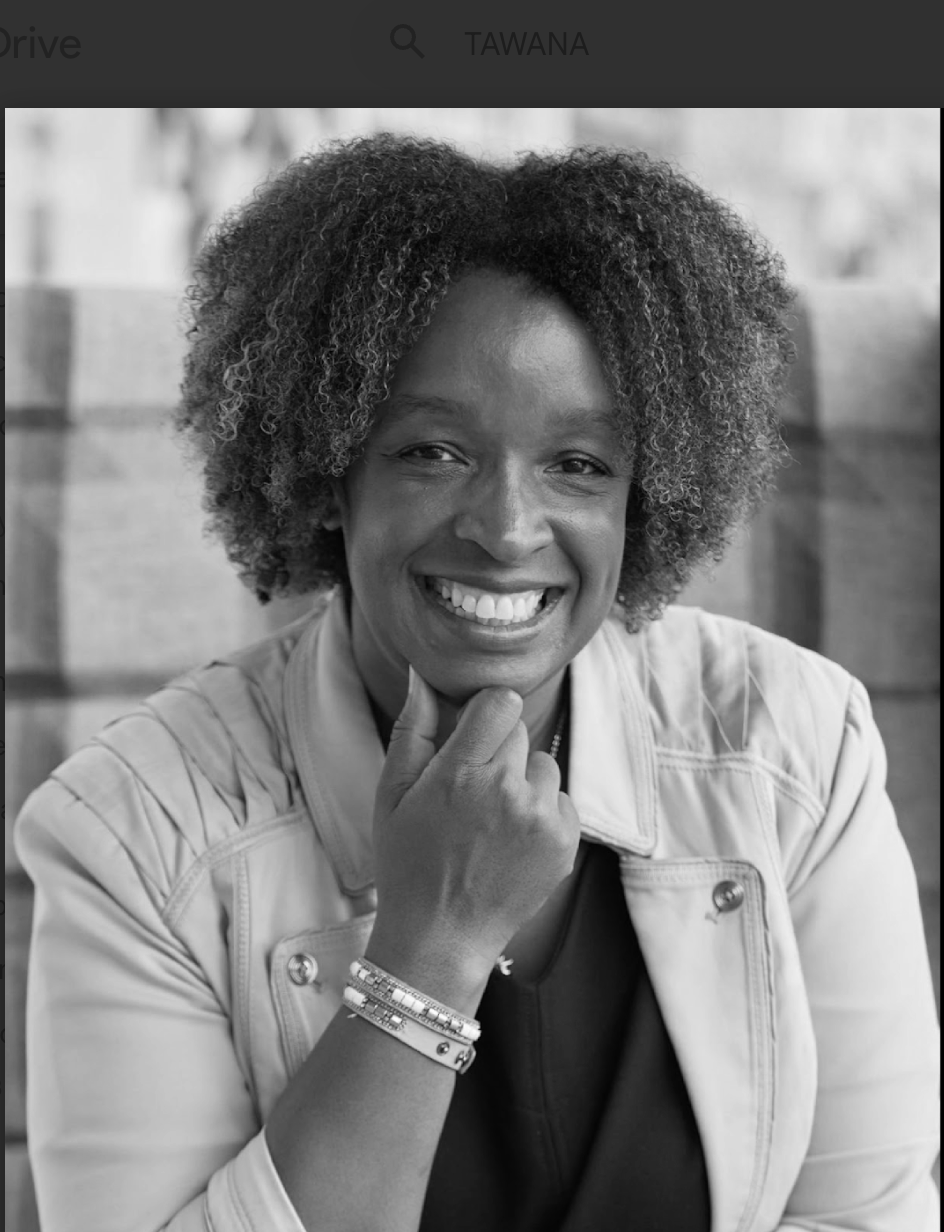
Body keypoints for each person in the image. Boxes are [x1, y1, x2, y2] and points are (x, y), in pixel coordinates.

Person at [15, 134, 939, 1232]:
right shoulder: (133, 829)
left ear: (642, 500)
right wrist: (431, 946)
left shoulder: (793, 746)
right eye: (432, 451)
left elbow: (863, 1214)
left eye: (579, 464)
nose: (506, 529)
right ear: (325, 470)